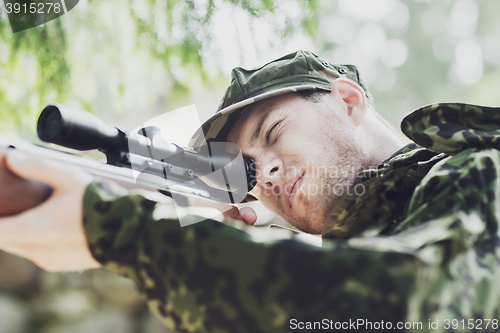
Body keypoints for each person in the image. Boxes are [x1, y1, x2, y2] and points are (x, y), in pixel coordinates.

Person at [1, 50, 500, 332]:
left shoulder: (477, 168)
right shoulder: (346, 256)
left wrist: (126, 235)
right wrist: (234, 274)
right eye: (247, 172)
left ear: (346, 99)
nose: (267, 174)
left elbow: (427, 309)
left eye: (275, 132)